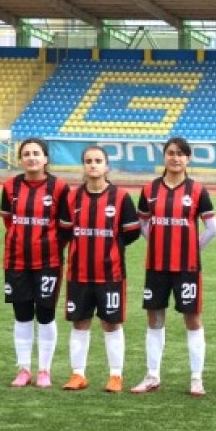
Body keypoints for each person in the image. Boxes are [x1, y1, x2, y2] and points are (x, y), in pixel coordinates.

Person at [131, 137, 216, 395]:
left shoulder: (198, 190)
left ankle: (196, 378)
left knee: (192, 319)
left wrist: (192, 249)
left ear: (188, 159)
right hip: (156, 266)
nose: (175, 158)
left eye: (181, 154)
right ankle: (152, 376)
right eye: (171, 153)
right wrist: (156, 242)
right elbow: (144, 224)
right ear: (164, 157)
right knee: (154, 318)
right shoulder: (149, 190)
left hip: (187, 267)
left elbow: (212, 228)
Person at [58, 146, 141, 393]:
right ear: (83, 166)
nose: (93, 165)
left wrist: (110, 248)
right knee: (79, 323)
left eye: (98, 161)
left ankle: (115, 376)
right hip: (78, 274)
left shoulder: (121, 197)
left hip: (111, 274)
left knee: (111, 324)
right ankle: (77, 374)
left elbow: (132, 232)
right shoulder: (72, 198)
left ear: (107, 166)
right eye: (88, 161)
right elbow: (64, 230)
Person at [0, 138, 70, 388]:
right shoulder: (10, 186)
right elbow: (9, 220)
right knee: (22, 314)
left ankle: (44, 370)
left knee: (46, 314)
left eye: (36, 153)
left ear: (46, 158)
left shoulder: (60, 188)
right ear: (20, 160)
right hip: (16, 260)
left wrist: (48, 244)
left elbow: (65, 227)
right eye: (26, 154)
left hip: (48, 261)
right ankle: (24, 369)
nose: (31, 158)